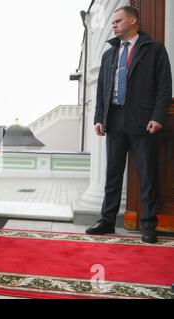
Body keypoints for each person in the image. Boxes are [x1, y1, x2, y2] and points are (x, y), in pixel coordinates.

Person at [86, 6, 172, 244]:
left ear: (133, 21)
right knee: (112, 174)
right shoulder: (109, 54)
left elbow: (164, 88)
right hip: (114, 120)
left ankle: (148, 225)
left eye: (118, 20)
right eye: (112, 21)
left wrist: (158, 117)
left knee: (147, 175)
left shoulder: (154, 49)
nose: (113, 25)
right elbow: (102, 88)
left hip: (144, 121)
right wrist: (99, 118)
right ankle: (107, 221)